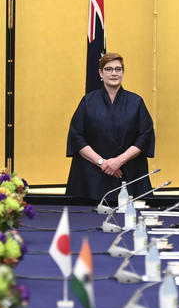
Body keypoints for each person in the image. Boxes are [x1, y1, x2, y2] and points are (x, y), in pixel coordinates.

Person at [66, 52, 155, 200]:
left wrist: (119, 161)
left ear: (123, 72)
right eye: (109, 69)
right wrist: (102, 163)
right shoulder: (88, 101)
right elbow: (77, 137)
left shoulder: (136, 102)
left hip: (127, 173)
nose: (114, 73)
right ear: (101, 72)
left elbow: (145, 136)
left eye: (118, 69)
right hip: (92, 174)